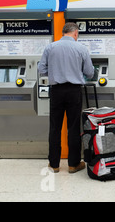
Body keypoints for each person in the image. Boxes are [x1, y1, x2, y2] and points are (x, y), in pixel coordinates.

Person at [38, 22, 95, 174]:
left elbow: (41, 69)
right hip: (74, 91)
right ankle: (73, 164)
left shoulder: (51, 47)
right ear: (75, 33)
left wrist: (55, 73)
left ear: (63, 33)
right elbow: (90, 72)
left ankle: (54, 164)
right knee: (73, 128)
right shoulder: (81, 48)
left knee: (55, 128)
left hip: (56, 91)